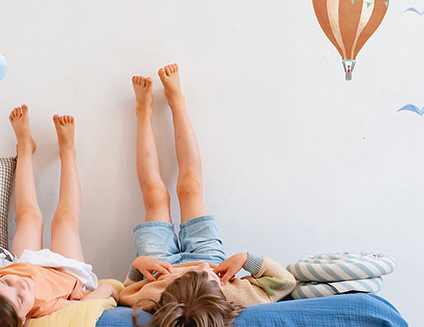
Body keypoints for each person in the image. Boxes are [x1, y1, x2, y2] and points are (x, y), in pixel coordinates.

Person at [119, 65, 295, 327]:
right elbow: (284, 282)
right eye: (206, 276)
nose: (199, 268)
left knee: (154, 195)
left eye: (196, 273)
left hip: (160, 268)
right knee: (190, 187)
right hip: (211, 257)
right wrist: (246, 259)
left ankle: (143, 112)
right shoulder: (236, 297)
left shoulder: (152, 298)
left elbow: (125, 293)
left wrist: (137, 266)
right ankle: (177, 101)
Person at [0, 106, 118, 327]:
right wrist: (108, 288)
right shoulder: (44, 306)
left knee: (28, 217)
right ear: (22, 320)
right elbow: (89, 302)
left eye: (7, 283)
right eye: (19, 299)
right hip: (67, 274)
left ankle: (25, 148)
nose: (21, 285)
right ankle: (68, 151)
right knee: (64, 221)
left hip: (26, 264)